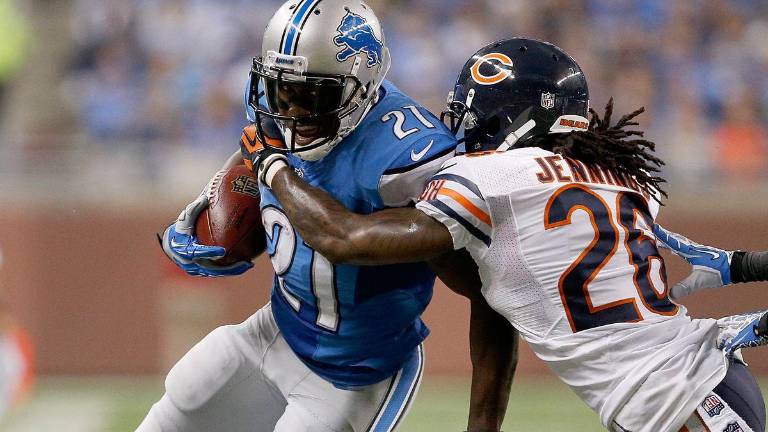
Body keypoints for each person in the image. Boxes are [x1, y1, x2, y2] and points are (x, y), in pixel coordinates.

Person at [251, 38, 768, 432]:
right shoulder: (621, 181)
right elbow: (496, 299)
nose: (461, 126)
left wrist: (270, 164)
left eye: (473, 112)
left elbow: (345, 240)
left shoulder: (492, 180)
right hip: (699, 389)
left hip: (682, 405)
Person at [140, 1, 516, 431]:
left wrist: (483, 424)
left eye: (311, 96)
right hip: (276, 331)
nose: (291, 113)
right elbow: (258, 164)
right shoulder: (278, 114)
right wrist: (216, 214)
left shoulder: (406, 158)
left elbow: (488, 292)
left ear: (362, 86)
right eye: (283, 92)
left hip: (358, 374)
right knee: (189, 388)